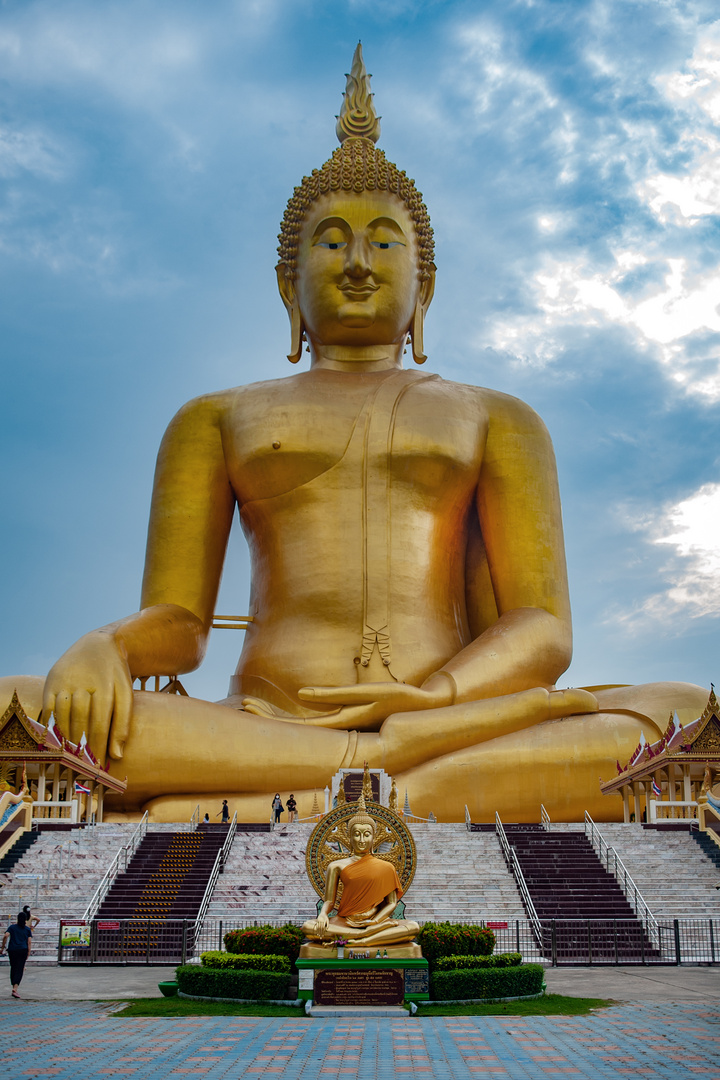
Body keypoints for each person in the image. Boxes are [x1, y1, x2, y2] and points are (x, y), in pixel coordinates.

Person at [0, 46, 707, 824]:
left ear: (424, 284)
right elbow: (181, 627)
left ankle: (333, 791)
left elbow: (541, 627)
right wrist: (110, 646)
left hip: (448, 721)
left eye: (385, 242)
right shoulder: (216, 416)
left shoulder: (499, 417)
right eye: (332, 241)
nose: (360, 264)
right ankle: (378, 773)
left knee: (681, 707)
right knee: (15, 704)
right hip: (259, 725)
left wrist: (434, 698)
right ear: (287, 283)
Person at [302, 802, 419, 948]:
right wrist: (323, 915)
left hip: (376, 920)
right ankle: (363, 935)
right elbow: (329, 901)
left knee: (413, 927)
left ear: (374, 838)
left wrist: (375, 922)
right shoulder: (336, 866)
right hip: (345, 921)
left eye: (367, 835)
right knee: (309, 927)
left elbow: (391, 903)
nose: (362, 840)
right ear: (350, 838)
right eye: (357, 835)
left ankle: (365, 940)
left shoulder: (387, 867)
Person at [1, 911, 32, 998]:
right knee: (20, 968)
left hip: (13, 950)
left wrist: (2, 947)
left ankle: (13, 985)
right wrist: (28, 952)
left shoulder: (12, 927)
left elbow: (5, 936)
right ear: (25, 920)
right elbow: (29, 942)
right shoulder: (27, 929)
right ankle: (15, 987)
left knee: (14, 967)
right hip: (23, 950)